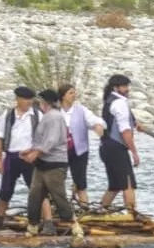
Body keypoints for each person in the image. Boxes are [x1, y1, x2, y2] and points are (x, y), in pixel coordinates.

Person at [0, 86, 51, 228]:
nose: (28, 102)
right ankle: (0, 218)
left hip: (30, 158)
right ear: (18, 99)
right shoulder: (8, 115)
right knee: (5, 190)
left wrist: (35, 152)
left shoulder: (37, 115)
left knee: (38, 190)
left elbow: (46, 138)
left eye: (30, 99)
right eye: (25, 99)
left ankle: (48, 221)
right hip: (12, 156)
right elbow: (0, 138)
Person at [21, 89, 76, 236]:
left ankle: (74, 225)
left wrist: (35, 153)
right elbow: (43, 140)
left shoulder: (54, 117)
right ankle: (32, 225)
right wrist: (31, 150)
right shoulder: (48, 117)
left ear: (46, 103)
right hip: (43, 163)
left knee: (58, 195)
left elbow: (51, 140)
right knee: (35, 195)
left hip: (54, 164)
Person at [58, 83, 106, 206]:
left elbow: (93, 120)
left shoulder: (81, 110)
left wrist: (98, 125)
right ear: (63, 96)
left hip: (79, 151)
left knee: (80, 182)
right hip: (60, 152)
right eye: (71, 93)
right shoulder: (56, 111)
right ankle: (59, 207)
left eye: (74, 93)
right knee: (57, 181)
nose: (74, 95)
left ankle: (84, 207)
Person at [99, 74, 141, 213]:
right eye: (124, 86)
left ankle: (100, 212)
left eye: (127, 86)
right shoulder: (119, 103)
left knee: (115, 185)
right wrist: (134, 152)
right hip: (116, 147)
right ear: (116, 88)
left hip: (106, 147)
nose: (127, 89)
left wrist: (136, 123)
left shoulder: (110, 101)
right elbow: (125, 131)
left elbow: (127, 122)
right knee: (128, 183)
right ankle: (132, 216)